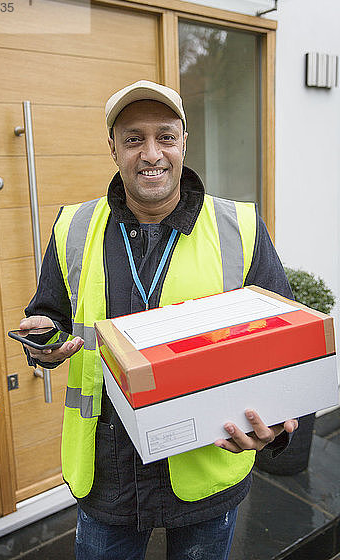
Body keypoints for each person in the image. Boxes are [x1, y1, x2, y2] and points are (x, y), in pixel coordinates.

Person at [20, 80, 298, 560]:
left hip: (205, 470)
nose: (151, 153)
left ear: (183, 143)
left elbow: (285, 343)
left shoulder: (240, 227)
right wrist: (43, 340)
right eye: (134, 139)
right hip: (109, 476)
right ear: (113, 149)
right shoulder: (73, 228)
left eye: (165, 137)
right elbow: (49, 313)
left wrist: (277, 425)